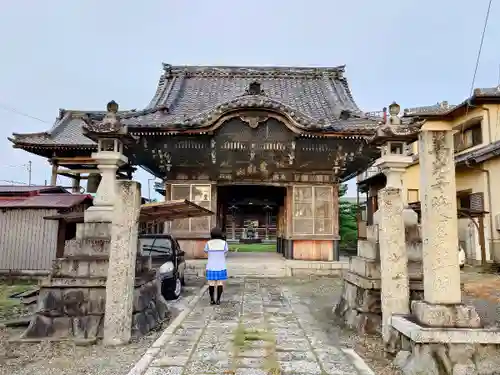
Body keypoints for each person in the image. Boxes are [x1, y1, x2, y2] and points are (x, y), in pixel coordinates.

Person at [204, 227, 229, 305]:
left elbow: (206, 251)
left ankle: (212, 300)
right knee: (219, 283)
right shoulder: (224, 243)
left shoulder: (208, 243)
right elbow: (225, 253)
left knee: (211, 283)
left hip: (211, 266)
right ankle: (218, 300)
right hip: (221, 266)